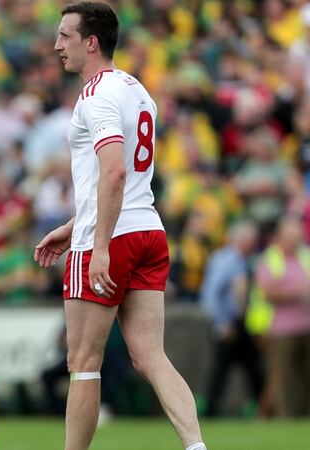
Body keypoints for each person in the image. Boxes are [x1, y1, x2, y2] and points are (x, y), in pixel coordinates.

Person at [33, 3, 206, 450]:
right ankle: (197, 446)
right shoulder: (137, 89)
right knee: (151, 355)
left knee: (83, 362)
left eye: (65, 36)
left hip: (110, 238)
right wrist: (76, 224)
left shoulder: (95, 95)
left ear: (91, 42)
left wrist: (99, 243)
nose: (57, 46)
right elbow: (123, 175)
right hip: (148, 228)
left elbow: (113, 171)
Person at [199, 220, 264, 417]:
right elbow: (210, 295)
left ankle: (263, 407)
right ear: (241, 239)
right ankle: (209, 410)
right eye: (251, 240)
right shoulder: (227, 260)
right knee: (221, 370)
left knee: (252, 367)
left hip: (240, 324)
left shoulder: (238, 260)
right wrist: (221, 323)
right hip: (228, 325)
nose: (254, 244)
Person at [254, 215, 310, 416]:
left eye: (298, 232)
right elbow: (267, 291)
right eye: (292, 233)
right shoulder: (270, 258)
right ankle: (284, 417)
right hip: (280, 328)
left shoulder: (305, 254)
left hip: (306, 325)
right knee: (282, 377)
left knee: (305, 376)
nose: (297, 237)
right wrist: (297, 292)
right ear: (281, 237)